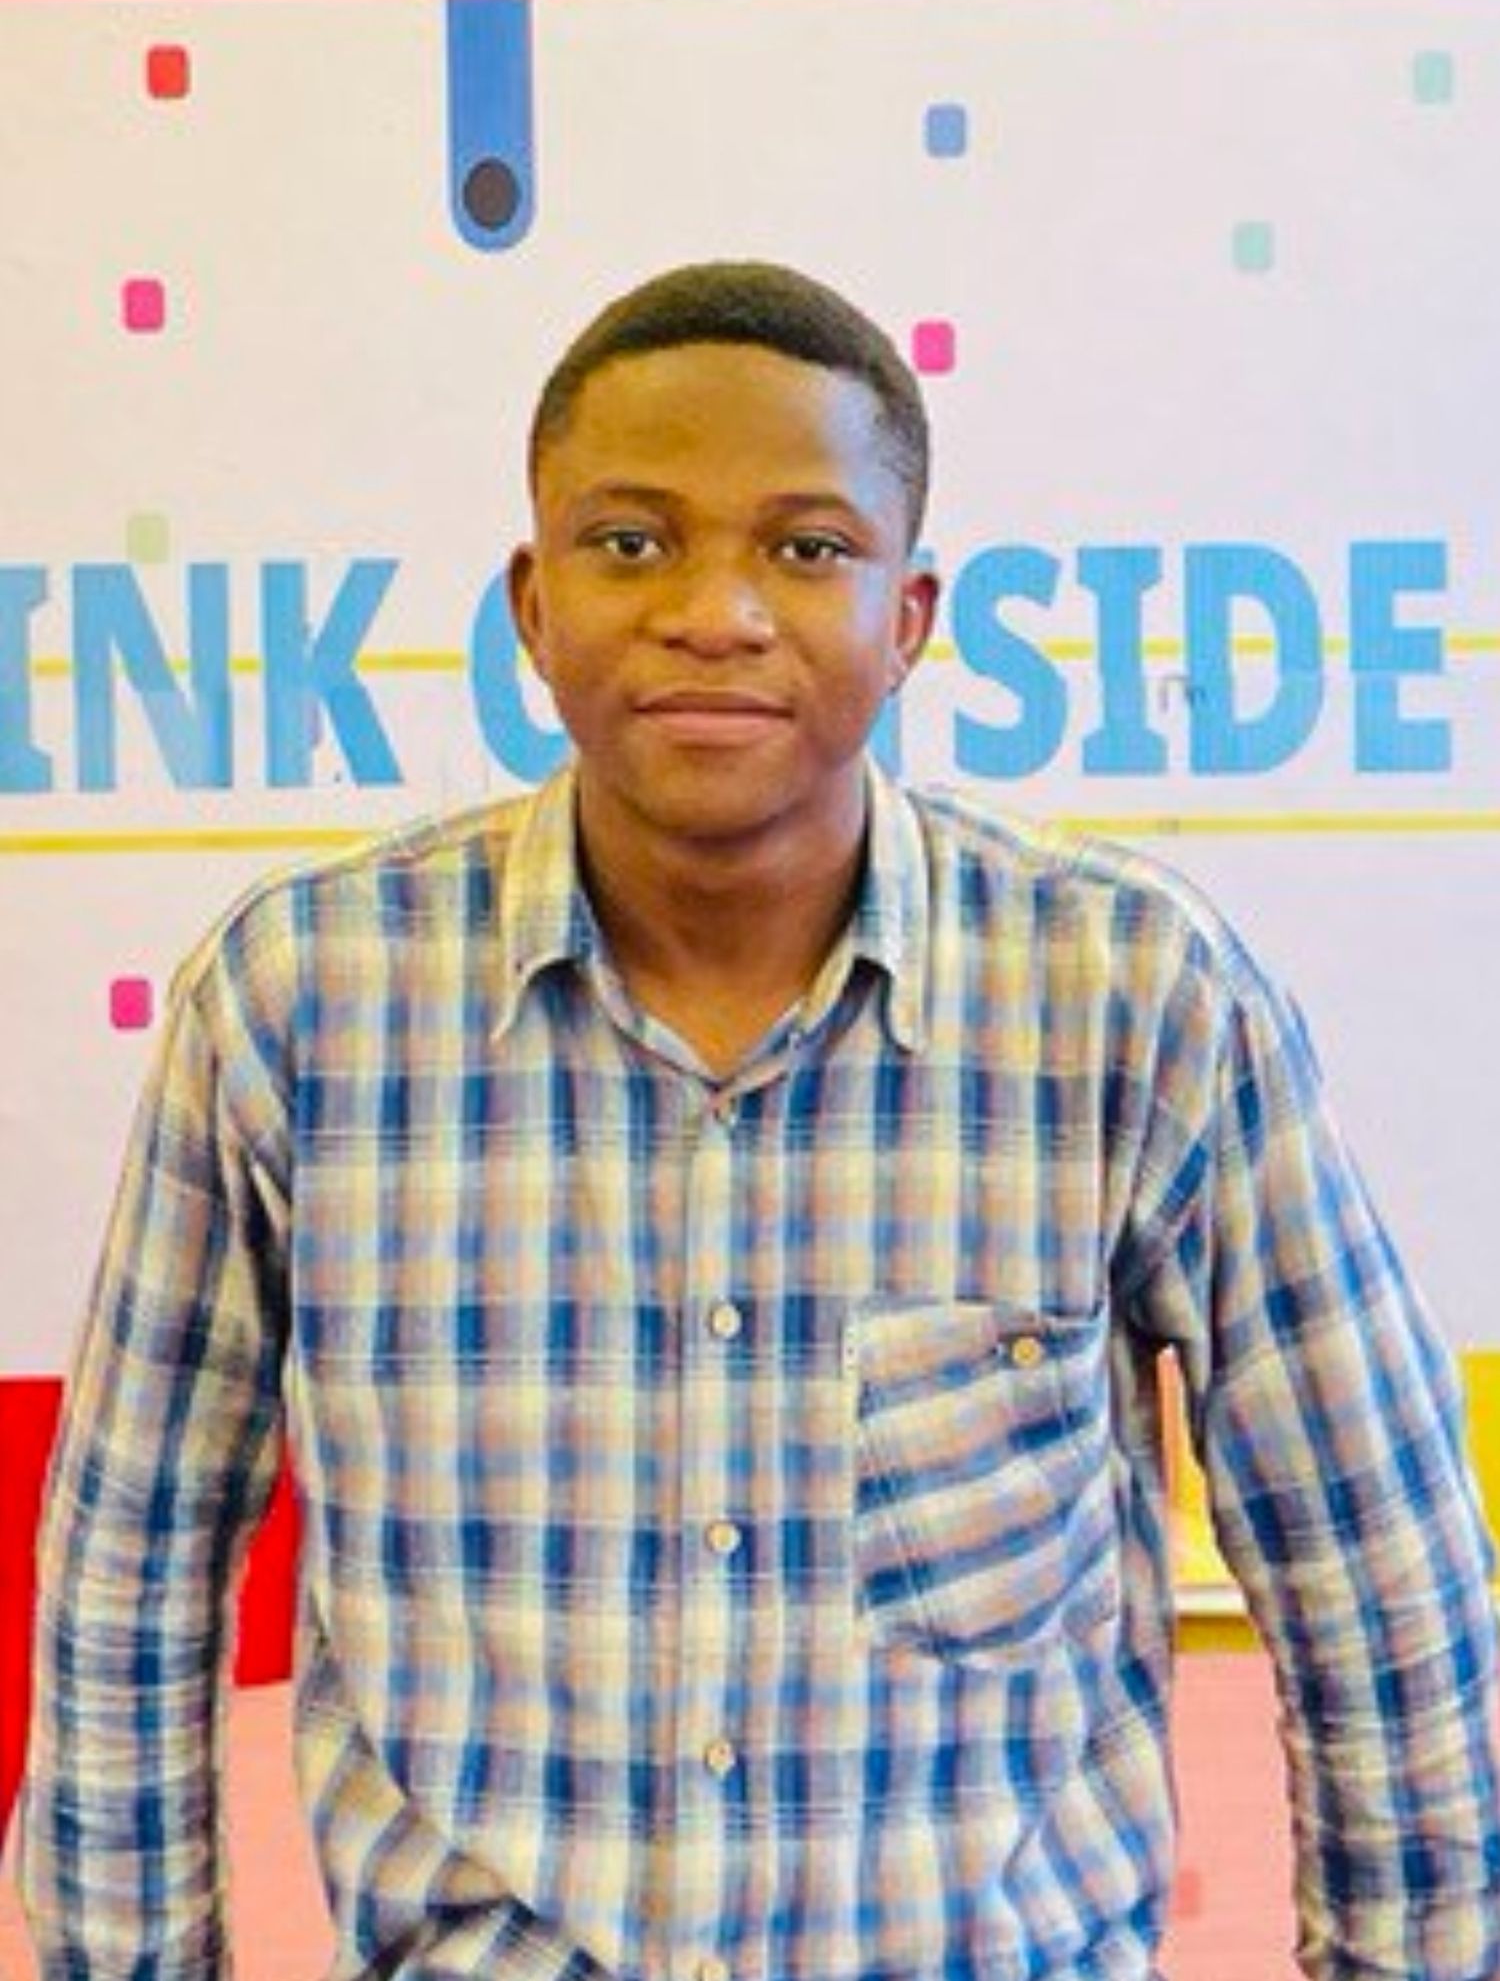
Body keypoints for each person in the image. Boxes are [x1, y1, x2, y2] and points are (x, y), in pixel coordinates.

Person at [18, 260, 1500, 1981]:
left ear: (910, 616)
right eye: (631, 540)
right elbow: (126, 1577)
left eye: (806, 548)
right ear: (531, 605)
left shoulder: (1135, 1000)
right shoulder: (295, 1009)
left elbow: (1379, 1577)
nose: (715, 611)